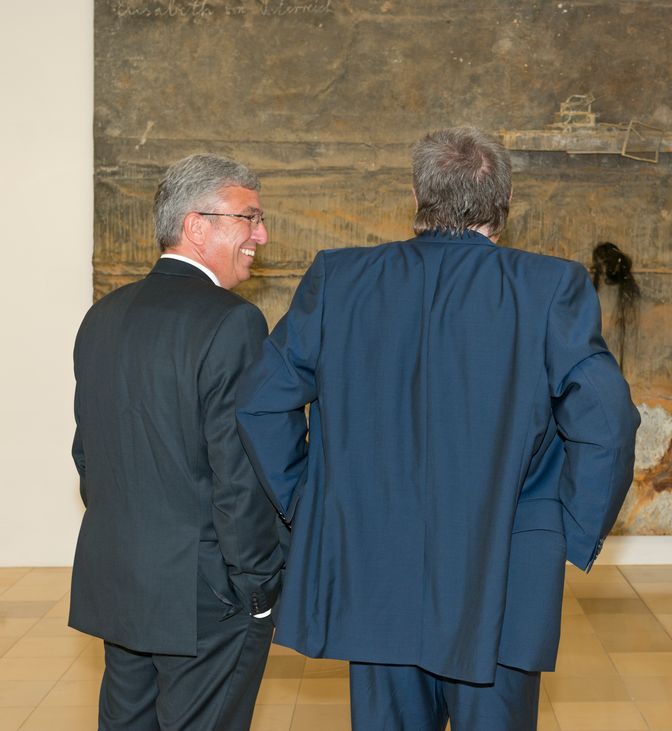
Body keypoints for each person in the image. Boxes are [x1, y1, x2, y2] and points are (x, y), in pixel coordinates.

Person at [236, 127, 640, 730]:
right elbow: (607, 420)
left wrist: (313, 501)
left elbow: (265, 402)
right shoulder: (549, 287)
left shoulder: (340, 279)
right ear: (504, 205)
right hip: (500, 574)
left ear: (418, 196)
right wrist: (567, 530)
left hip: (373, 570)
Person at [70, 153, 284, 730]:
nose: (261, 235)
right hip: (205, 597)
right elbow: (239, 476)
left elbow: (87, 456)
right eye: (249, 218)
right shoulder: (232, 322)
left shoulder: (102, 317)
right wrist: (259, 588)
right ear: (197, 225)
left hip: (121, 582)